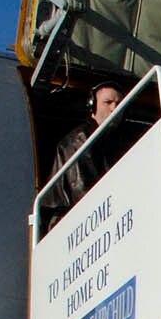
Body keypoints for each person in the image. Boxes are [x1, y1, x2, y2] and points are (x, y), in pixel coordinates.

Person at [39, 80, 125, 230]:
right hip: (68, 223)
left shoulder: (112, 141)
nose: (114, 108)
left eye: (118, 103)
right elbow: (82, 190)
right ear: (93, 106)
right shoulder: (81, 139)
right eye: (108, 102)